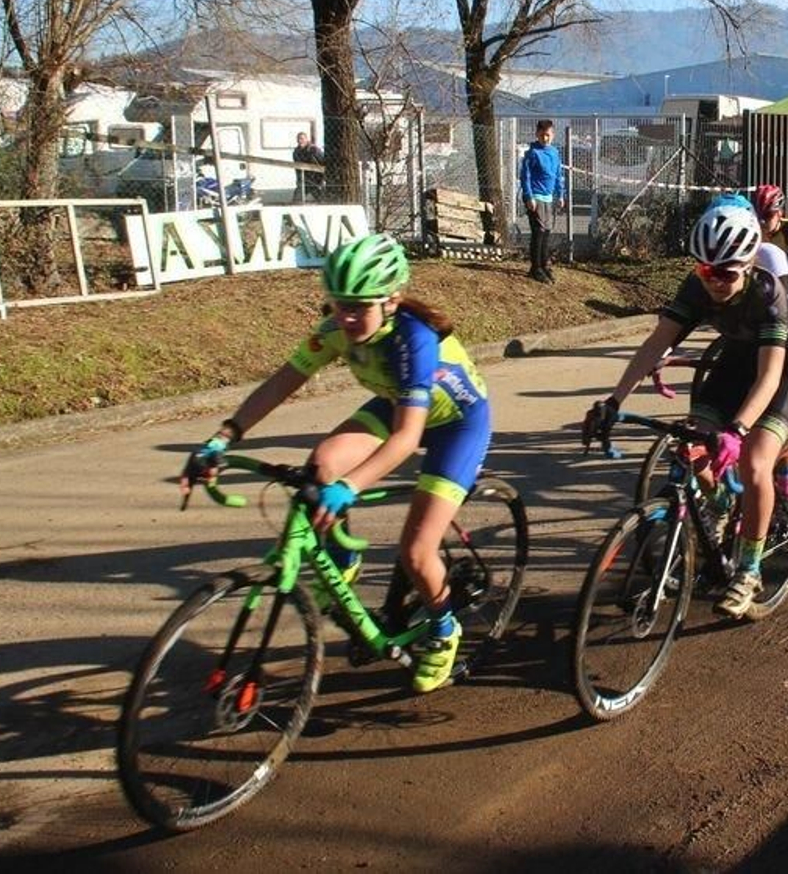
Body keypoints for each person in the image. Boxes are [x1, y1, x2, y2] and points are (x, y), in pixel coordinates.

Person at [179, 234, 490, 694]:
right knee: (322, 462)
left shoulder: (414, 340)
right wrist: (224, 436)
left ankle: (444, 630)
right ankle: (343, 563)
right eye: (337, 304)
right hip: (397, 406)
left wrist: (351, 487)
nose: (345, 318)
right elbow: (282, 382)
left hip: (456, 425)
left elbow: (406, 439)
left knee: (417, 550)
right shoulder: (335, 329)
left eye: (358, 307)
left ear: (391, 301)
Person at [585, 200, 788, 618]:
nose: (715, 281)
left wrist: (739, 430)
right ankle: (723, 504)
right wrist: (613, 401)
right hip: (736, 355)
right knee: (691, 443)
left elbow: (768, 378)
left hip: (783, 365)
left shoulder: (768, 294)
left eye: (725, 273)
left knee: (755, 464)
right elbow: (656, 343)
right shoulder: (696, 284)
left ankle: (749, 570)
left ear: (746, 265)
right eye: (706, 270)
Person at [519, 119, 567, 282]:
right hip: (536, 197)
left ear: (552, 135)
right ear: (536, 134)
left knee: (546, 231)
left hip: (549, 197)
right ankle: (535, 268)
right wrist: (529, 196)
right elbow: (525, 176)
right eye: (542, 135)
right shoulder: (532, 153)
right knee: (538, 232)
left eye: (547, 135)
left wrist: (560, 195)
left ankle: (544, 265)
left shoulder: (554, 153)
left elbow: (558, 175)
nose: (544, 138)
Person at [753, 183, 788, 288]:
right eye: (757, 215)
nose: (762, 221)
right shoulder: (752, 230)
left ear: (780, 213)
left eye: (767, 215)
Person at [293, 131, 325, 203]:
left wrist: (322, 178)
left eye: (302, 139)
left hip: (316, 180)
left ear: (307, 139)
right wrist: (298, 180)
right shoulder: (296, 152)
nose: (300, 141)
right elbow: (297, 168)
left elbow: (323, 162)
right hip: (305, 180)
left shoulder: (314, 150)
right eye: (298, 139)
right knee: (297, 199)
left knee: (321, 199)